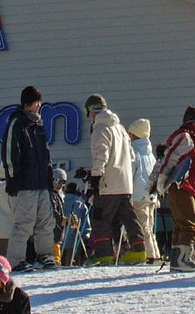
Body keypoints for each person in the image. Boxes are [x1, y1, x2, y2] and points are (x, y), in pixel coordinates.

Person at [77, 94, 146, 265]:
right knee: (129, 218)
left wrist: (95, 176)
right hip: (125, 183)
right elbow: (130, 156)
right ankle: (138, 251)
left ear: (91, 111)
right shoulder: (120, 128)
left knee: (100, 217)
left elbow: (102, 155)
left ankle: (104, 254)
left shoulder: (100, 128)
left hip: (108, 184)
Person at [1, 85, 56, 271]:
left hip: (41, 182)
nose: (39, 106)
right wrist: (13, 177)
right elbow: (9, 152)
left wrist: (49, 175)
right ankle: (16, 260)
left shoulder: (38, 125)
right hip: (24, 183)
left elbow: (45, 154)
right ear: (27, 104)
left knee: (45, 221)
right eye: (35, 103)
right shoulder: (17, 123)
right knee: (24, 222)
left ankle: (45, 254)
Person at [157, 105, 195, 272]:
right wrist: (160, 181)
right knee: (190, 224)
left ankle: (177, 259)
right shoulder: (186, 137)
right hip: (182, 185)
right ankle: (183, 259)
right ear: (192, 122)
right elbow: (169, 159)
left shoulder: (191, 138)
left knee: (181, 224)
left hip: (185, 186)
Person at [128, 118, 162, 261]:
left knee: (142, 227)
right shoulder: (150, 154)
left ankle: (147, 254)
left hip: (138, 196)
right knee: (149, 226)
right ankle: (155, 253)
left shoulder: (133, 152)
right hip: (151, 196)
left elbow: (130, 174)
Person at [60, 182, 90, 266]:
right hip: (75, 242)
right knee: (73, 266)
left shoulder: (59, 202)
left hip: (58, 242)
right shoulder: (81, 205)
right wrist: (85, 238)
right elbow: (86, 227)